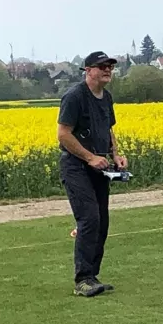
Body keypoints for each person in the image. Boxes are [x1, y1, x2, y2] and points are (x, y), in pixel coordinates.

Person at [56, 51, 128, 297]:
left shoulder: (106, 98)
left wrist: (115, 155)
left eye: (110, 66)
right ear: (88, 70)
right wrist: (89, 157)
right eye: (102, 66)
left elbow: (108, 129)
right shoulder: (75, 97)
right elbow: (63, 134)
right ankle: (82, 279)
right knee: (89, 219)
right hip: (76, 166)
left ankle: (92, 275)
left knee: (102, 222)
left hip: (100, 167)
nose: (108, 70)